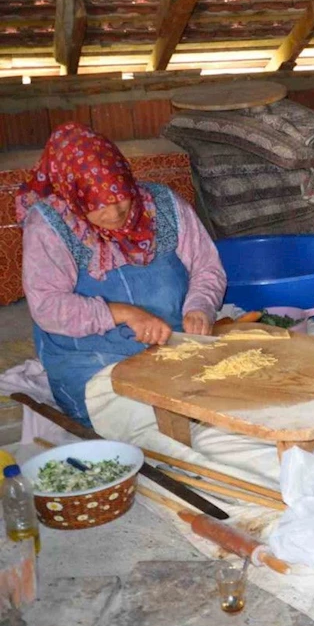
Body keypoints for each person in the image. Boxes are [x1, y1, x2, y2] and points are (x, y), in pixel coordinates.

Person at [18, 123, 226, 427]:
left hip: (173, 344)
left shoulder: (163, 205)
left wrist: (200, 306)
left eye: (120, 197)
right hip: (92, 358)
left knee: (226, 397)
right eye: (98, 206)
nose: (115, 213)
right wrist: (124, 314)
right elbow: (47, 307)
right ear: (73, 195)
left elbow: (206, 266)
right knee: (144, 421)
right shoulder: (49, 226)